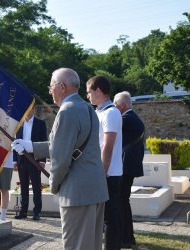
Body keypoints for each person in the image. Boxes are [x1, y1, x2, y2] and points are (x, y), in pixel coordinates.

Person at [13, 68, 109, 249]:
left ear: (62, 87)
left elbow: (61, 159)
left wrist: (54, 184)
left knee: (76, 245)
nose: (49, 91)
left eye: (51, 86)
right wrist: (30, 146)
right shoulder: (88, 108)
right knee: (92, 245)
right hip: (95, 188)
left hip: (76, 192)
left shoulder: (66, 112)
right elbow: (65, 145)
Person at [86, 75, 123, 250]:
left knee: (110, 218)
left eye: (89, 92)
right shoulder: (97, 112)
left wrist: (100, 174)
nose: (88, 96)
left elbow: (107, 147)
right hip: (99, 172)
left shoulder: (111, 112)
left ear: (98, 91)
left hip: (108, 174)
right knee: (100, 218)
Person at [114, 91, 145, 248]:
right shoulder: (132, 118)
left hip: (125, 167)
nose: (113, 108)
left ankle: (125, 237)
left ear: (122, 105)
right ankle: (127, 236)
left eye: (115, 105)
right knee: (123, 202)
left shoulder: (126, 118)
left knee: (121, 202)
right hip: (129, 167)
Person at [13, 106, 47, 220]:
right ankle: (23, 211)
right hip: (22, 158)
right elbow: (14, 143)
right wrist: (14, 161)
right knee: (23, 186)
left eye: (29, 109)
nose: (27, 111)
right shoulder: (19, 124)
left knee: (36, 186)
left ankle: (37, 212)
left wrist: (42, 161)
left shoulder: (40, 124)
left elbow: (44, 142)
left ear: (33, 109)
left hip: (35, 158)